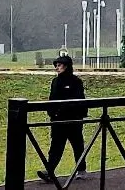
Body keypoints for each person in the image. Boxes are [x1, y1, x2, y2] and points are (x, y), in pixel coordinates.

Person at [37, 54, 88, 183]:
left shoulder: (76, 82)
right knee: (55, 147)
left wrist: (69, 111)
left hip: (73, 120)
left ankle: (81, 170)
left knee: (77, 145)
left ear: (66, 66)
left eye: (59, 65)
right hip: (58, 120)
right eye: (56, 65)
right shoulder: (55, 82)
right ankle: (49, 171)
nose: (57, 68)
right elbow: (51, 99)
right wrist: (52, 113)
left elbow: (79, 100)